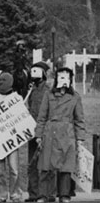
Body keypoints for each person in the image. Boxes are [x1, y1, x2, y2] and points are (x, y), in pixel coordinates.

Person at [35, 67, 86, 203]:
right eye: (60, 77)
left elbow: (79, 119)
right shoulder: (49, 94)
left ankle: (64, 195)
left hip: (67, 134)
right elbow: (42, 116)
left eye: (66, 77)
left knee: (66, 167)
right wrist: (39, 135)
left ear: (70, 79)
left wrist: (79, 139)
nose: (63, 79)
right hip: (50, 132)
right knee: (45, 166)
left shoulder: (75, 97)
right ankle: (43, 195)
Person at [0, 72, 23, 203]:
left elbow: (22, 117)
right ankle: (1, 195)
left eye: (4, 81)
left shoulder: (16, 98)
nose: (0, 83)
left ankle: (15, 195)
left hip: (12, 138)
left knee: (14, 170)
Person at [26, 62, 50, 202]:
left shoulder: (48, 90)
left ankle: (45, 194)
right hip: (31, 130)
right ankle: (33, 194)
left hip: (44, 131)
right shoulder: (31, 90)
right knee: (32, 164)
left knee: (45, 164)